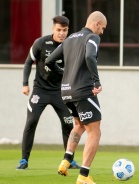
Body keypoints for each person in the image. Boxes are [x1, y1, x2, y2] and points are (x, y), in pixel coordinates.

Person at [45, 11, 107, 184]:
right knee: (95, 131)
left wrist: (65, 75)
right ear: (96, 24)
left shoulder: (70, 38)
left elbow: (49, 60)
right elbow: (89, 56)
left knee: (78, 125)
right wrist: (96, 82)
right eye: (102, 28)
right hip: (83, 91)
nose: (102, 32)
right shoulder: (92, 38)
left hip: (66, 92)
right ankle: (84, 175)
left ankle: (66, 160)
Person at [16, 16, 80, 170]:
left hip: (61, 92)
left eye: (64, 30)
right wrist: (25, 84)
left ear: (68, 30)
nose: (61, 33)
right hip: (41, 90)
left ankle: (69, 160)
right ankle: (24, 160)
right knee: (31, 122)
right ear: (53, 29)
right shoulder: (41, 43)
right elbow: (27, 62)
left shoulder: (71, 46)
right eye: (59, 30)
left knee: (68, 124)